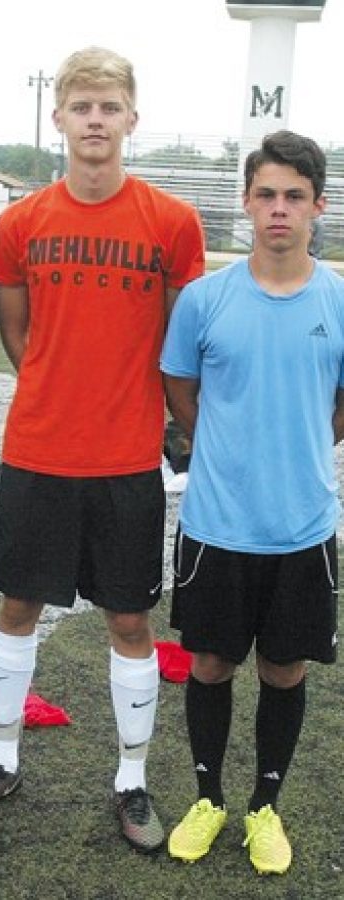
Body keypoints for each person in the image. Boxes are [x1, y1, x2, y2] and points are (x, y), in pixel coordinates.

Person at [0, 47, 205, 853]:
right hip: (40, 451)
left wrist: (139, 412)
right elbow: (18, 337)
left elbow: (176, 340)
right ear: (58, 117)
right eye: (81, 106)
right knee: (17, 606)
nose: (95, 121)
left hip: (128, 459)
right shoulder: (22, 222)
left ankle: (131, 779)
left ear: (132, 118)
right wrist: (63, 392)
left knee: (130, 617)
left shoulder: (171, 221)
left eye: (109, 107)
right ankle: (1, 759)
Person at [162, 131, 341, 876]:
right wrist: (225, 449)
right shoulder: (205, 299)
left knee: (285, 670)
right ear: (245, 203)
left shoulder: (338, 298)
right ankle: (208, 799)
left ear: (317, 208)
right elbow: (179, 390)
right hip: (217, 525)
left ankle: (266, 806)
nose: (278, 210)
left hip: (301, 528)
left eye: (293, 197)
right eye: (266, 194)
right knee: (208, 665)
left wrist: (297, 446)